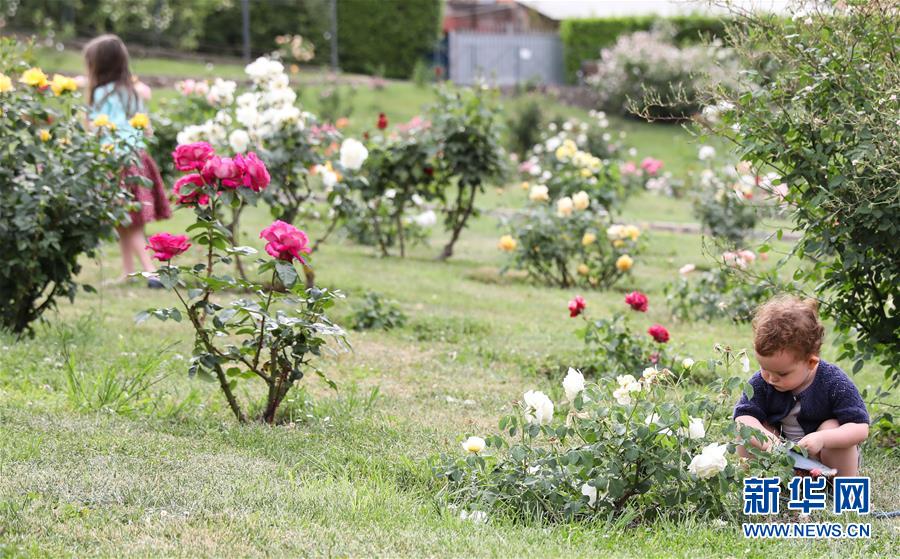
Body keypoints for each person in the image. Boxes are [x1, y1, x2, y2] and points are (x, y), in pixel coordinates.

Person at [733, 295, 869, 476]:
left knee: (832, 426)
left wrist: (822, 438)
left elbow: (860, 428)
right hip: (784, 458)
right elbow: (742, 418)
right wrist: (771, 443)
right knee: (752, 431)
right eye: (765, 368)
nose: (771, 379)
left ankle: (842, 485)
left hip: (826, 459)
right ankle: (759, 478)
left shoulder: (833, 382)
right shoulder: (761, 382)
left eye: (782, 373)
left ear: (811, 363)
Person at [83, 34, 171, 288]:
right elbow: (144, 127)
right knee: (125, 221)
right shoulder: (133, 91)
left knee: (129, 222)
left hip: (115, 160)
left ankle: (151, 271)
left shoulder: (102, 93)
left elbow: (101, 130)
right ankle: (129, 272)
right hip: (137, 159)